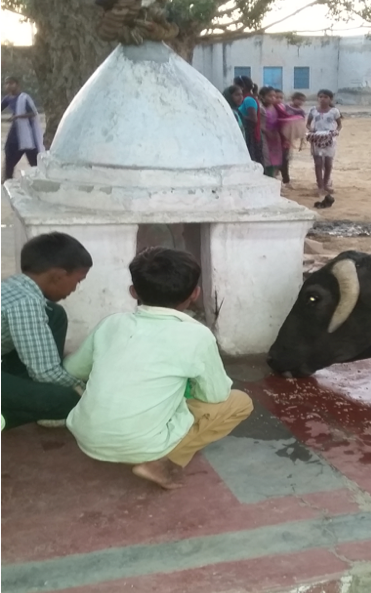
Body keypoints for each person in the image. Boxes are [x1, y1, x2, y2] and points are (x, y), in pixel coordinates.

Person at [64, 247, 254, 490]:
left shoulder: (112, 323)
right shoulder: (197, 335)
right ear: (195, 294)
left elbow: (73, 369)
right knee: (239, 402)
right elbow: (215, 395)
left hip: (85, 436)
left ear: (133, 292)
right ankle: (165, 462)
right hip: (141, 445)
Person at [2, 233, 93, 430]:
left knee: (54, 313)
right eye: (78, 281)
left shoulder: (15, 287)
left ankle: (19, 391)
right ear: (58, 275)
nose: (76, 288)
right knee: (69, 400)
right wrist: (84, 387)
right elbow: (46, 373)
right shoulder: (25, 302)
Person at [1, 75, 44, 181]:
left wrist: (17, 117)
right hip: (15, 133)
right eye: (6, 83)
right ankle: (7, 180)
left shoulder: (24, 98)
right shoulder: (8, 99)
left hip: (27, 134)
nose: (8, 86)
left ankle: (40, 179)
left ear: (17, 85)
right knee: (9, 155)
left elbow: (33, 113)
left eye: (11, 83)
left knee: (34, 160)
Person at [306, 89, 342, 197]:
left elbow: (339, 125)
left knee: (328, 163)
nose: (323, 99)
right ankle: (320, 186)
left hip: (329, 139)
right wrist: (311, 130)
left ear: (330, 99)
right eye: (320, 97)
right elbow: (308, 124)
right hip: (317, 139)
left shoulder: (334, 111)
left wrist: (336, 132)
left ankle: (326, 183)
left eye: (325, 97)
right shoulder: (313, 110)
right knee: (318, 163)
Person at [276, 91, 307, 190]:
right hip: (277, 137)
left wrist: (301, 140)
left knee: (285, 159)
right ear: (293, 99)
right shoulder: (283, 108)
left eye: (281, 97)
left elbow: (301, 126)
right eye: (298, 99)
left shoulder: (301, 112)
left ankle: (286, 180)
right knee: (278, 159)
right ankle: (280, 179)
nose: (300, 102)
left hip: (288, 139)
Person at [234, 75, 264, 166]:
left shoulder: (248, 99)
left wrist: (238, 115)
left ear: (242, 87)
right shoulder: (247, 98)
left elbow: (254, 119)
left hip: (252, 135)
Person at [259, 86, 283, 178]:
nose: (273, 98)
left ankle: (274, 176)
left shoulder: (276, 107)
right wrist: (269, 133)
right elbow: (261, 125)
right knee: (267, 158)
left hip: (275, 137)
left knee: (276, 158)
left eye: (274, 96)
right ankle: (268, 177)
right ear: (262, 97)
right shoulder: (262, 109)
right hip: (265, 137)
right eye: (270, 96)